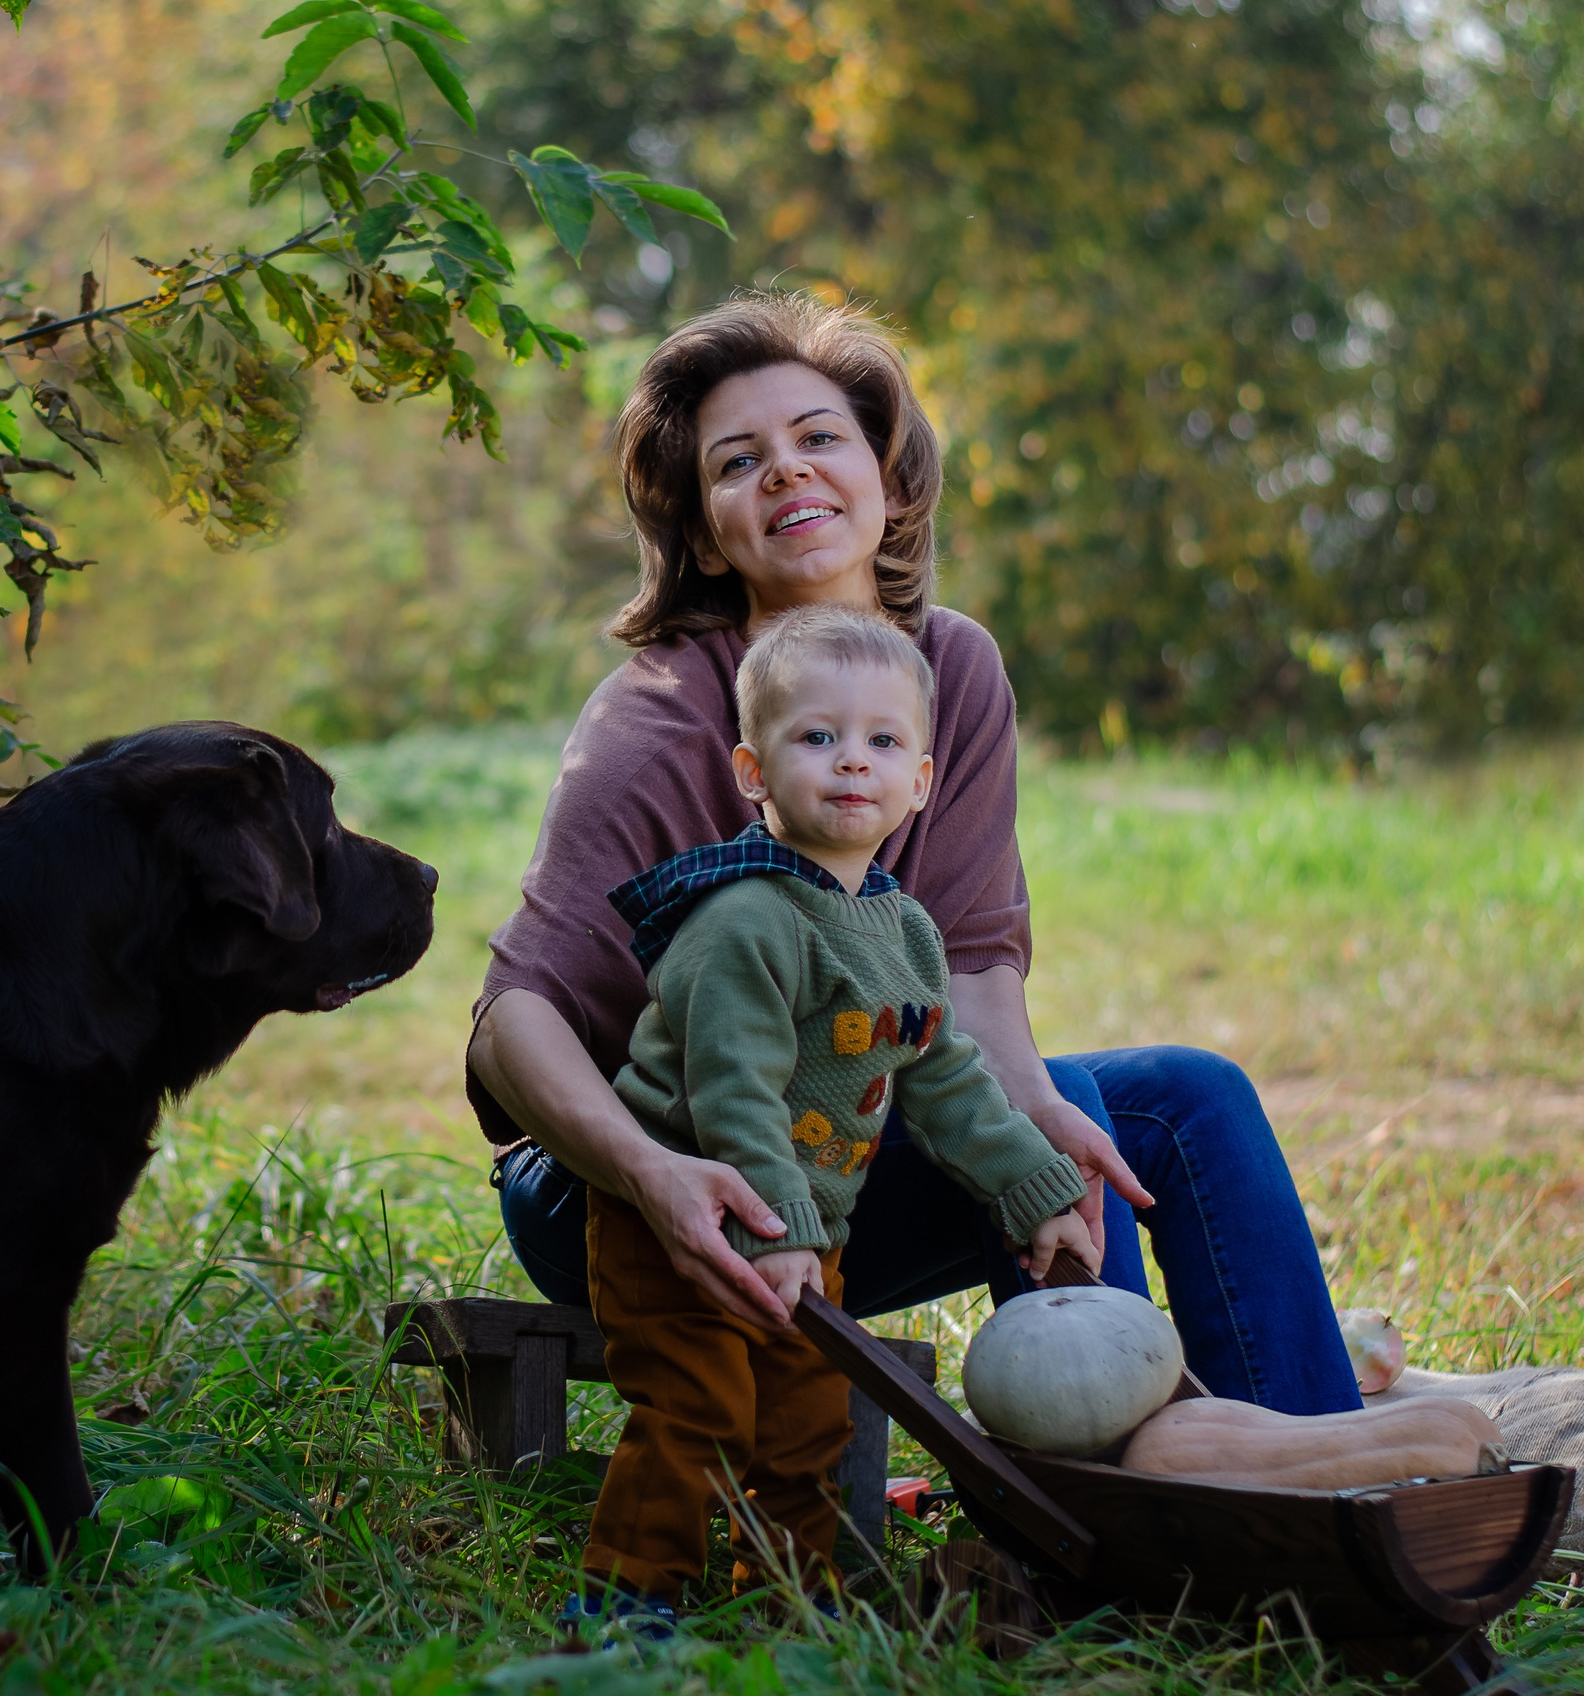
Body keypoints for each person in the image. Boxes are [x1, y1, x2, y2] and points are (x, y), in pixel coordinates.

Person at [466, 290, 1361, 1418]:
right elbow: (511, 1022)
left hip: (829, 1141)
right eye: (738, 461)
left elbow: (971, 970)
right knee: (1062, 1104)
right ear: (701, 533)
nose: (786, 470)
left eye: (819, 437)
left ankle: (1309, 1455)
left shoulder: (952, 671)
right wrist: (649, 1172)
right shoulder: (660, 719)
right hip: (626, 1181)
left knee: (1186, 1099)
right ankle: (1123, 1470)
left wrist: (1035, 1113)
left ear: (889, 480)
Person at [575, 604, 1098, 1625]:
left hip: (806, 1233)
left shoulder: (902, 929)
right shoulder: (744, 919)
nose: (852, 761)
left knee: (807, 1421)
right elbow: (732, 1091)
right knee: (697, 1407)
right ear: (753, 770)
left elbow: (947, 1077)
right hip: (681, 1223)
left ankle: (785, 1605)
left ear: (922, 781)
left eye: (883, 741)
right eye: (817, 736)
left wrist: (1033, 1191)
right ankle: (625, 1599)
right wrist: (779, 1230)